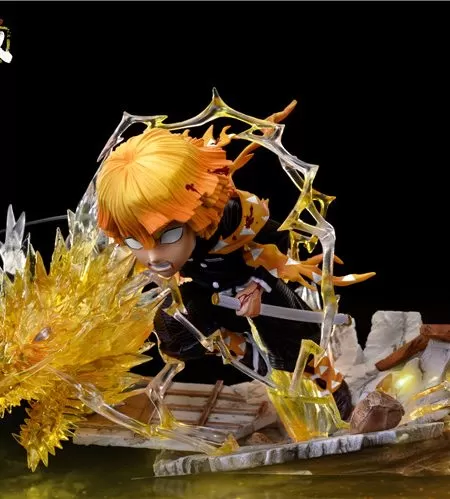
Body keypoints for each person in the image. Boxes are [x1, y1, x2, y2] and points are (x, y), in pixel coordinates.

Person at [96, 107, 374, 420]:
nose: (153, 257)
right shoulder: (142, 235)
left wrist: (257, 287)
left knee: (295, 344)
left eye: (169, 235)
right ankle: (237, 347)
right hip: (206, 291)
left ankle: (334, 388)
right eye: (135, 242)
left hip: (251, 282)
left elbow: (279, 240)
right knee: (173, 326)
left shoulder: (236, 215)